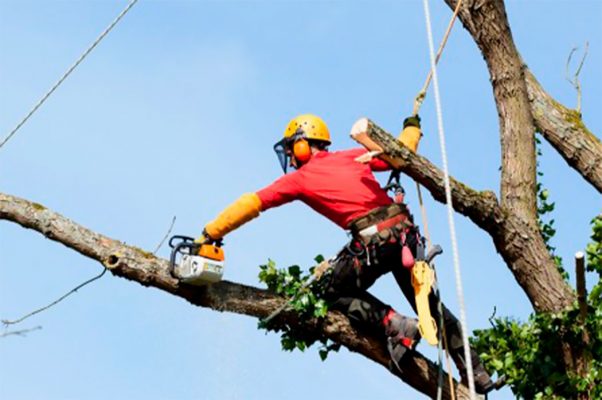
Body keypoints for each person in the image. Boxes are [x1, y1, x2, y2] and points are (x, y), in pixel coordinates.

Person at [200, 114, 494, 394]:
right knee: (429, 307)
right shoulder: (352, 156)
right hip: (403, 235)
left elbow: (253, 202)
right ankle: (476, 371)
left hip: (374, 242)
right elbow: (402, 152)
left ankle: (394, 323)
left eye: (292, 149)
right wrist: (412, 127)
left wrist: (212, 232)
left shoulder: (300, 179)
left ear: (303, 143)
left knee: (328, 291)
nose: (290, 157)